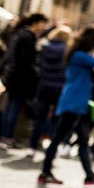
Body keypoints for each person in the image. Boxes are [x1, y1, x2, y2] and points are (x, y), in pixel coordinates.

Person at [38, 27, 94, 185]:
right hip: (73, 104)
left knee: (83, 140)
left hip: (78, 104)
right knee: (58, 138)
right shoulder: (79, 55)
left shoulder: (79, 55)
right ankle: (45, 172)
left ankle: (89, 175)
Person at [0, 13, 48, 146]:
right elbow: (25, 60)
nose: (43, 27)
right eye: (42, 24)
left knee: (10, 107)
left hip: (12, 76)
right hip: (20, 79)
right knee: (13, 108)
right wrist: (35, 72)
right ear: (35, 23)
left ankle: (4, 135)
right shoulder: (27, 37)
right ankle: (7, 136)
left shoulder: (20, 34)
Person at [27, 25, 72, 157]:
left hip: (44, 85)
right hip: (59, 87)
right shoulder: (66, 51)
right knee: (57, 119)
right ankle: (52, 148)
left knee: (39, 118)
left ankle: (32, 146)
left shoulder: (45, 48)